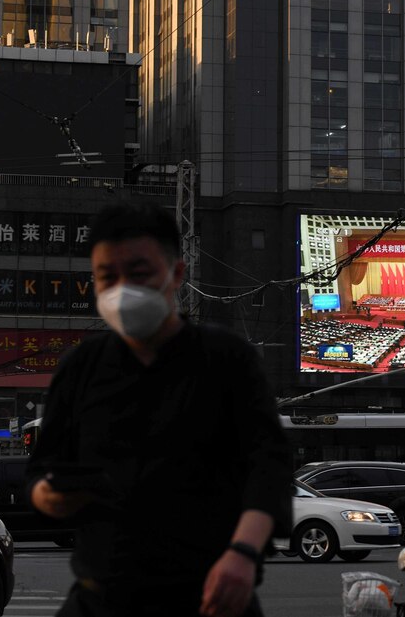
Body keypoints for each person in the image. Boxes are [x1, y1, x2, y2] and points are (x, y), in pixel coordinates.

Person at [27, 204, 291, 617]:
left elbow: (269, 466)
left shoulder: (227, 359)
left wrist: (243, 552)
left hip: (211, 598)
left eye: (139, 273)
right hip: (100, 598)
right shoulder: (81, 366)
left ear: (177, 274)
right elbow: (40, 470)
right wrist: (50, 495)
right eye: (106, 278)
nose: (122, 290)